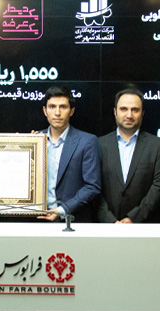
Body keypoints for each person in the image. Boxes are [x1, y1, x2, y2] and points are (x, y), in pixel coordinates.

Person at [96, 87, 160, 225]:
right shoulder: (98, 144)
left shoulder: (158, 145)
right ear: (115, 112)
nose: (129, 115)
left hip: (144, 225)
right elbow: (93, 187)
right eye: (123, 109)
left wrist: (134, 218)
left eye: (135, 110)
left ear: (142, 113)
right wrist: (109, 220)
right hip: (106, 227)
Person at [36, 86, 101, 222]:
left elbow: (92, 186)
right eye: (52, 107)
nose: (57, 112)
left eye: (63, 107)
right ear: (45, 111)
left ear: (72, 111)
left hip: (72, 220)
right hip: (37, 219)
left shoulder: (87, 141)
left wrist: (62, 210)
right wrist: (23, 147)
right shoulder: (35, 141)